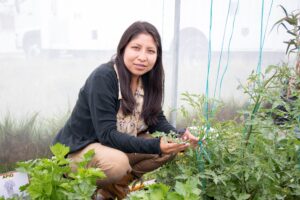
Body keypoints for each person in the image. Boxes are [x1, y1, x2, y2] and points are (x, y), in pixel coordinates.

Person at [53, 21, 198, 200]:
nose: (143, 57)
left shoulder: (148, 79)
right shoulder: (105, 76)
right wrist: (156, 144)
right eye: (136, 48)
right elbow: (107, 134)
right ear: (123, 48)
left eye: (150, 51)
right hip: (80, 151)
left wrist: (178, 137)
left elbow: (156, 120)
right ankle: (82, 190)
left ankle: (109, 193)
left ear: (157, 55)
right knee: (117, 164)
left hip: (112, 148)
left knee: (169, 147)